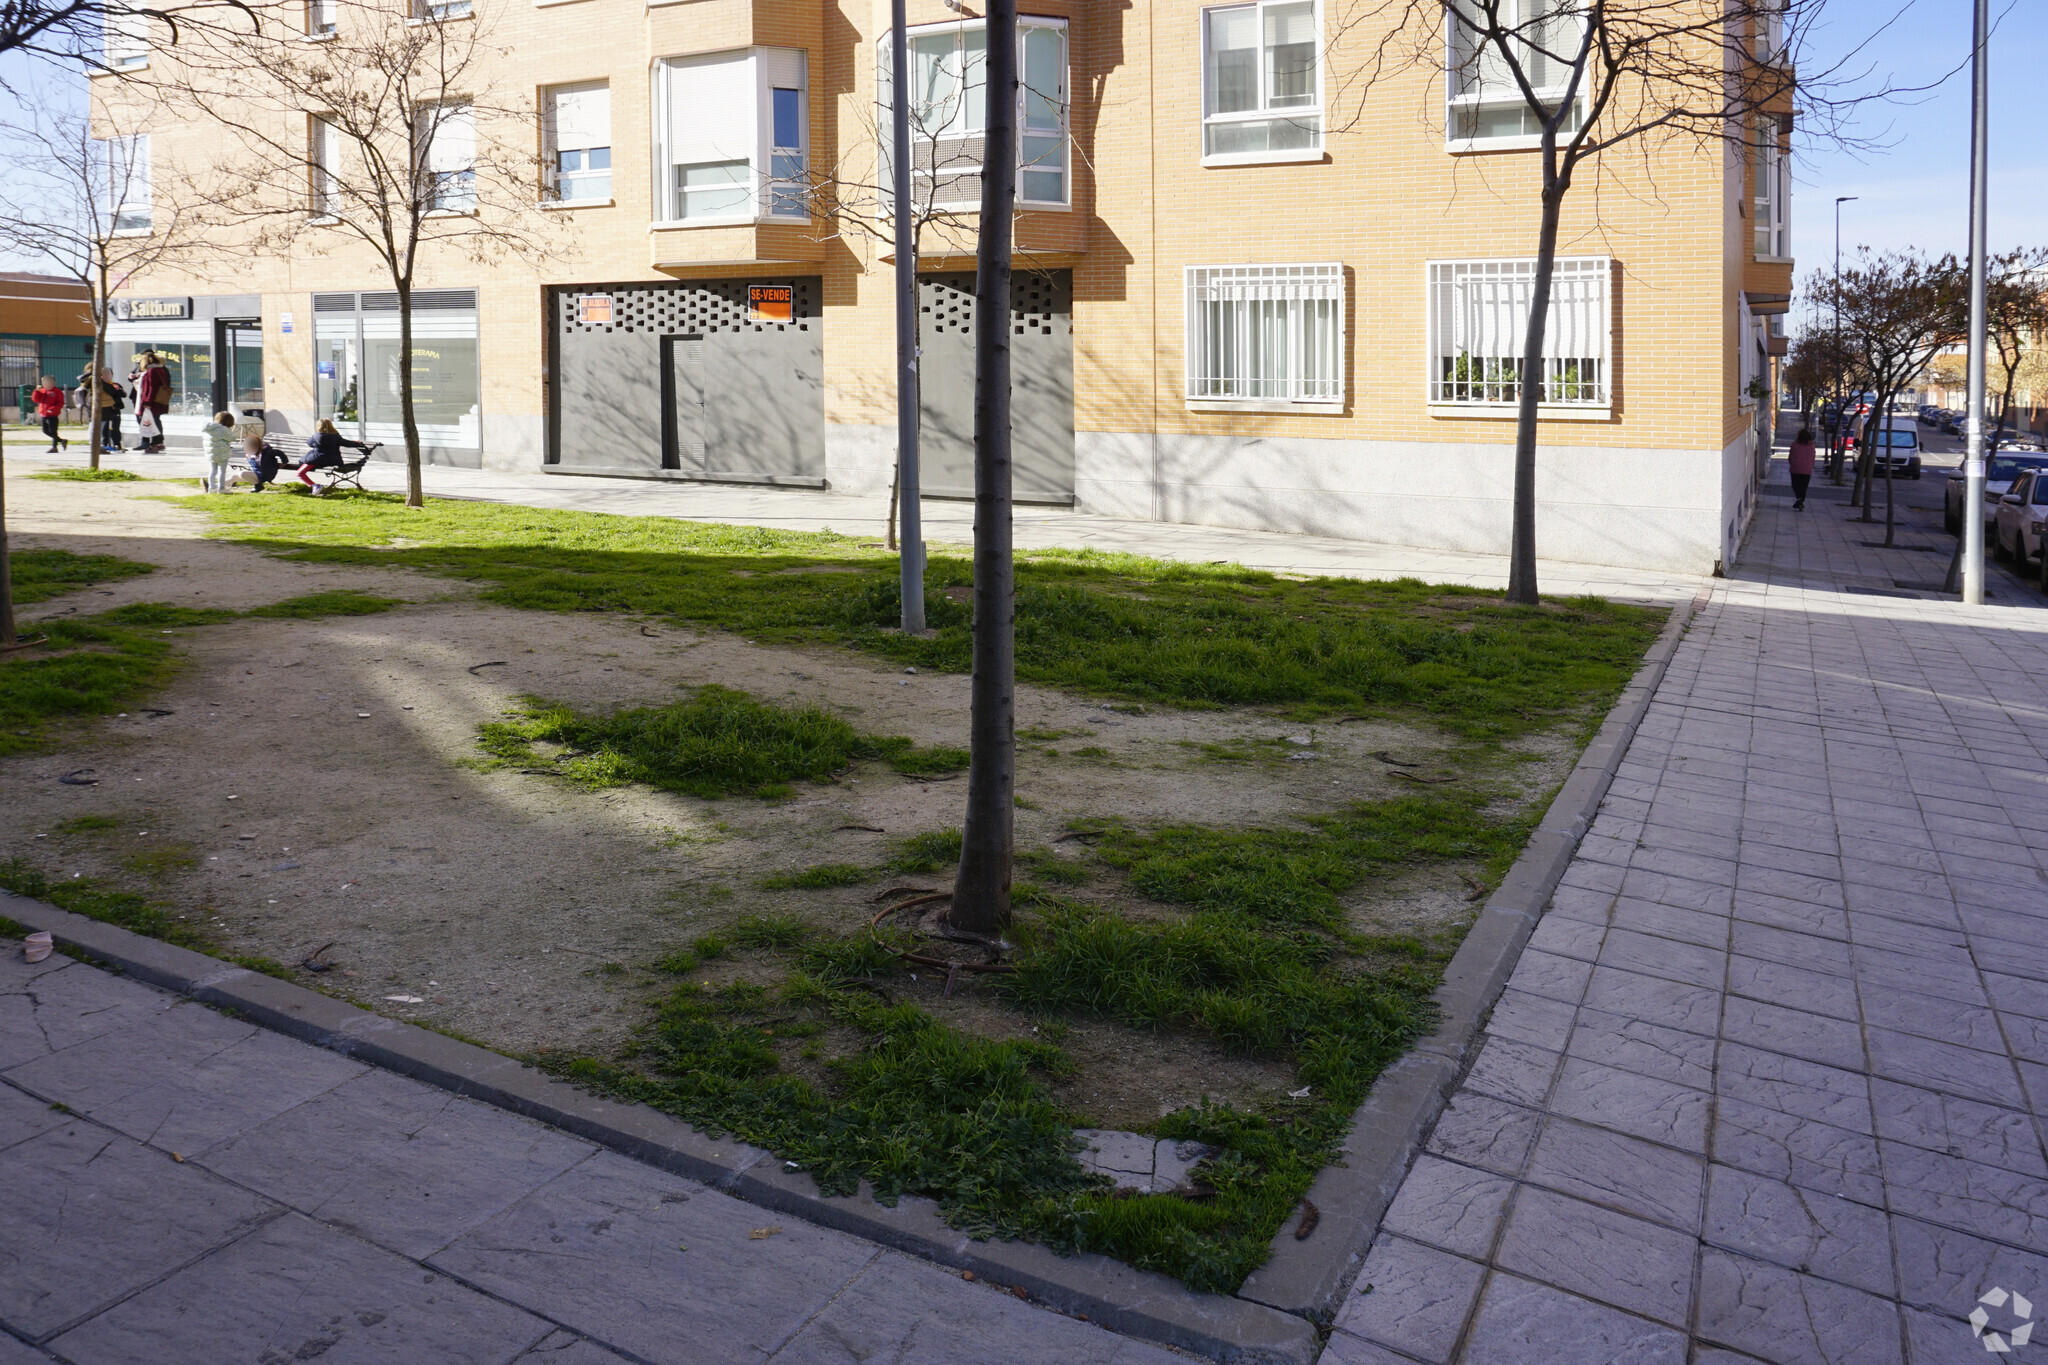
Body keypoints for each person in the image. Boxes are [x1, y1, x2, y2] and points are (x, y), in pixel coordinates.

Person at [295, 417, 371, 495]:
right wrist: (357, 443)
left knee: (300, 473)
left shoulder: (316, 436)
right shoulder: (336, 436)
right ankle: (315, 487)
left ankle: (315, 485)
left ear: (318, 426)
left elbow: (309, 443)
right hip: (334, 460)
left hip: (317, 460)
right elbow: (346, 443)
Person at [135, 351, 171, 452]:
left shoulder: (152, 371)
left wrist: (148, 402)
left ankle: (157, 443)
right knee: (155, 420)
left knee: (153, 421)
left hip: (152, 402)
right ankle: (157, 442)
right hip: (157, 401)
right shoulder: (160, 370)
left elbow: (151, 388)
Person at [30, 376, 69, 452]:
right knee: (45, 431)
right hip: (44, 414)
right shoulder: (42, 391)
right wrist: (36, 391)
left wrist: (52, 409)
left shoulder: (57, 392)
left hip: (53, 414)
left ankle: (54, 447)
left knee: (53, 431)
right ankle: (61, 441)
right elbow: (35, 399)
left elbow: (60, 403)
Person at [202, 410, 238, 492]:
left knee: (213, 470)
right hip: (222, 454)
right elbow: (231, 438)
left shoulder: (208, 429)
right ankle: (221, 488)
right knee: (222, 471)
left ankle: (211, 488)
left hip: (211, 454)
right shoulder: (224, 429)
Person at [95, 368, 126, 453]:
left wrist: (118, 389)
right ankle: (105, 444)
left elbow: (123, 395)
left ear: (112, 375)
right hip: (104, 409)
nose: (107, 376)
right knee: (105, 428)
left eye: (109, 374)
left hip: (115, 409)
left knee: (115, 427)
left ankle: (117, 444)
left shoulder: (115, 385)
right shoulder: (99, 385)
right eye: (104, 375)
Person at [1788, 427, 1817, 510]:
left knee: (1795, 484)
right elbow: (1813, 457)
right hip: (1807, 469)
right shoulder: (1811, 446)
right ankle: (1801, 500)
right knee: (1803, 486)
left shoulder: (1794, 444)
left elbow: (1791, 455)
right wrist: (1811, 465)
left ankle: (1799, 499)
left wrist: (1791, 463)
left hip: (1795, 468)